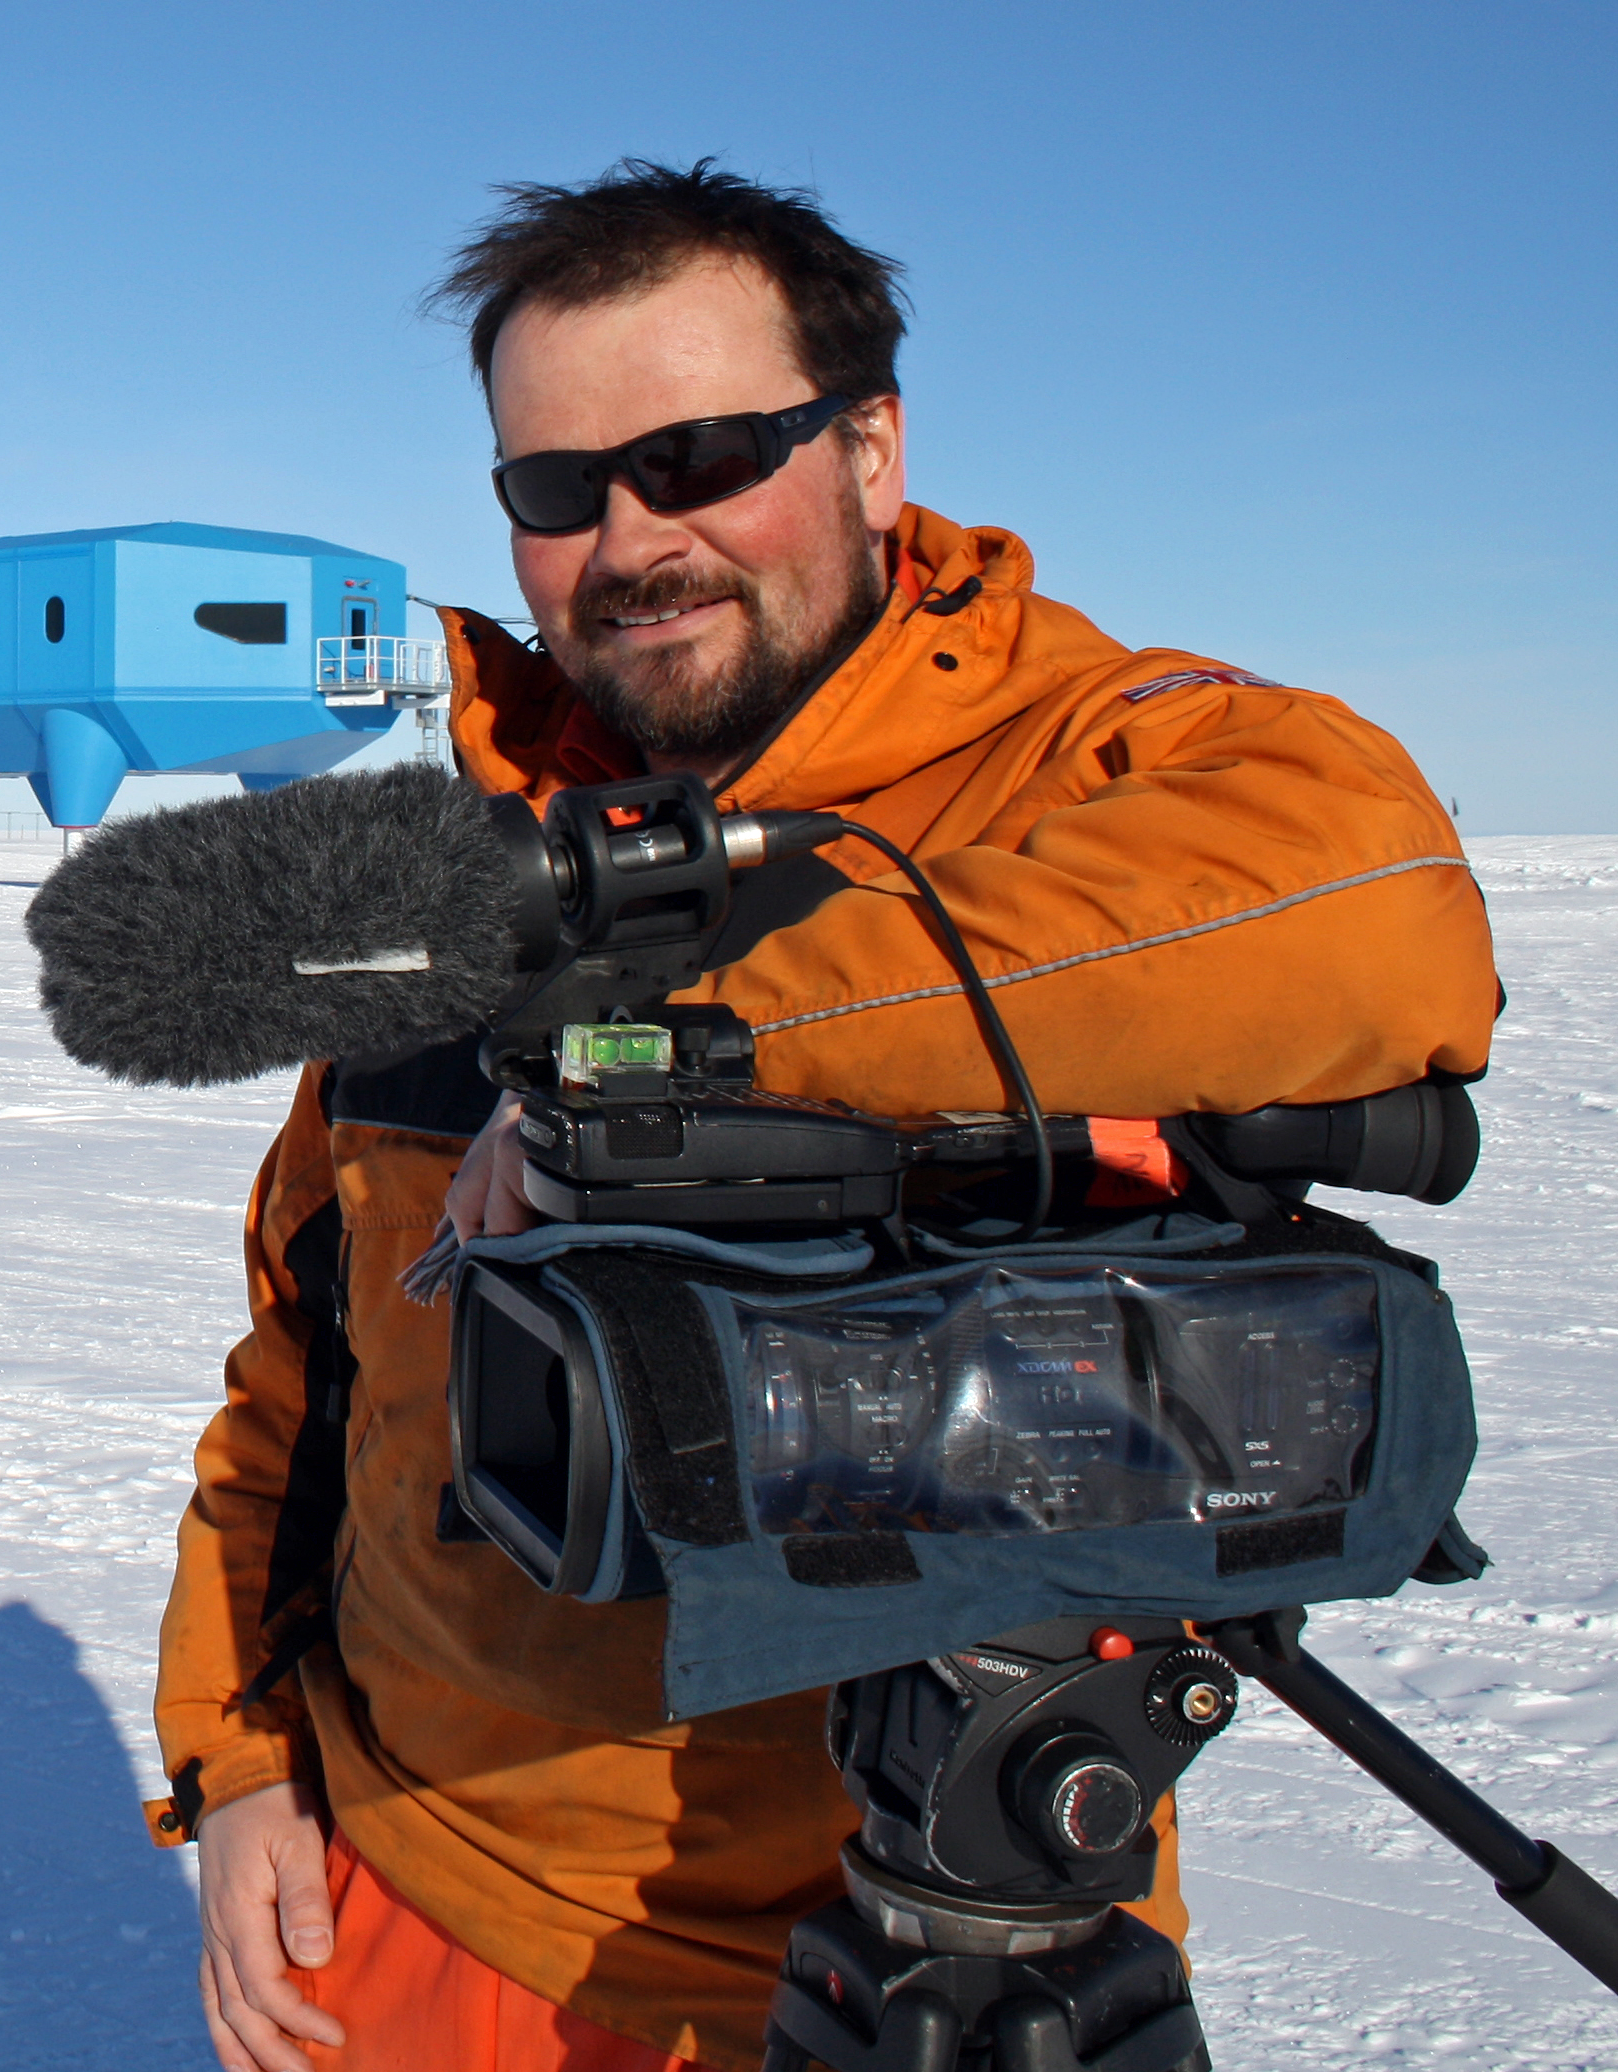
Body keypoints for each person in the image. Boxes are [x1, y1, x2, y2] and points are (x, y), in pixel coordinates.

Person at [150, 160, 1497, 2071]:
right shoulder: (469, 861)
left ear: (870, 450)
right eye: (557, 489)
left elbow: (1369, 907)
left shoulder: (1080, 759)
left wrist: (689, 1046)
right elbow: (308, 1368)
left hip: (908, 1958)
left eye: (700, 454)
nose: (630, 540)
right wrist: (243, 1755)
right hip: (397, 1908)